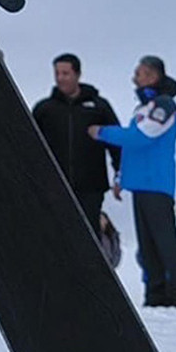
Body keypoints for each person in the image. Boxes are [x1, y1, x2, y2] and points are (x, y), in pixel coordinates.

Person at [89, 55, 176, 309]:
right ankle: (155, 296)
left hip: (157, 184)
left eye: (140, 73)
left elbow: (140, 137)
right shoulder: (144, 107)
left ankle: (175, 295)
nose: (135, 78)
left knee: (164, 242)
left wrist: (102, 132)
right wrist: (121, 177)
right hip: (140, 185)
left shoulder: (164, 105)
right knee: (147, 246)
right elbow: (133, 149)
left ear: (153, 76)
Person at [32, 53, 123, 230]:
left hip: (91, 186)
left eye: (65, 73)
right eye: (57, 73)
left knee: (88, 234)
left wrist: (121, 173)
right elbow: (29, 146)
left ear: (78, 74)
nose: (60, 78)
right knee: (56, 233)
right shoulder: (45, 109)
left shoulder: (99, 107)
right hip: (54, 186)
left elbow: (116, 142)